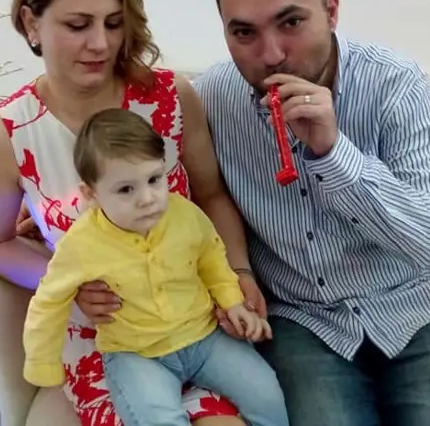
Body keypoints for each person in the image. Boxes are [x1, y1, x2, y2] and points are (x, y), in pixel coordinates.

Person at [77, 0, 430, 425]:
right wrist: (69, 224)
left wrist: (334, 152)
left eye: (291, 22)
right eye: (244, 33)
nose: (272, 54)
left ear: (331, 10)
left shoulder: (394, 84)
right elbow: (151, 182)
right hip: (302, 321)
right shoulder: (211, 99)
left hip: (418, 310)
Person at [0, 0, 266, 426]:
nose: (101, 44)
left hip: (195, 319)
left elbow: (211, 195)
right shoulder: (5, 134)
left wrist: (238, 272)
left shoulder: (170, 98)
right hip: (106, 340)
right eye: (78, 24)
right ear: (31, 22)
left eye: (113, 22)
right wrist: (69, 283)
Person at [22, 108, 287, 426]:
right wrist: (42, 363)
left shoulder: (185, 214)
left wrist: (233, 303)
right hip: (136, 354)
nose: (147, 198)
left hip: (205, 338)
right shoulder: (80, 244)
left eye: (153, 179)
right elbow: (49, 301)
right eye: (126, 189)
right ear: (91, 194)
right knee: (156, 418)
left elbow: (212, 259)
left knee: (266, 393)